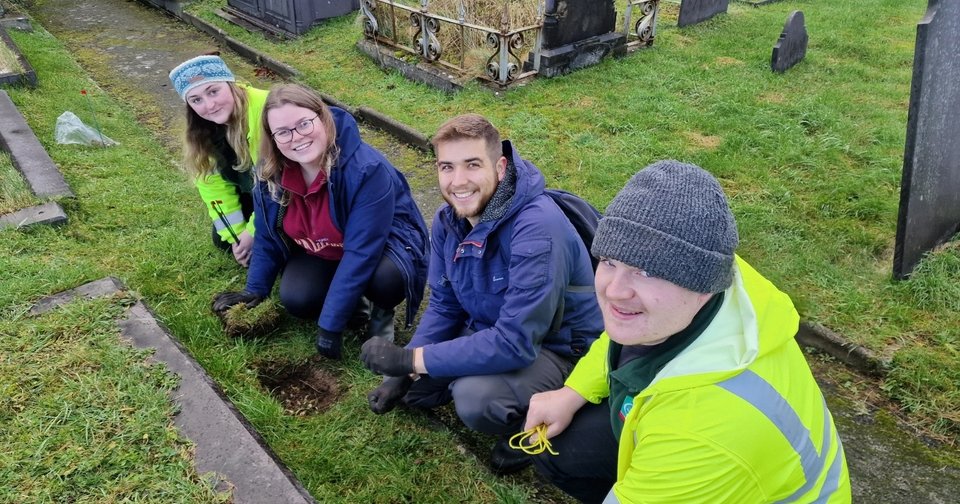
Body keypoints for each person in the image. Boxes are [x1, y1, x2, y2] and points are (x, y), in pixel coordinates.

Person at [522, 160, 851, 503]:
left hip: (709, 451)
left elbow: (699, 431)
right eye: (608, 261)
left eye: (646, 272)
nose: (614, 290)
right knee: (557, 450)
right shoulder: (713, 291)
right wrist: (572, 392)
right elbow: (619, 332)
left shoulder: (705, 428)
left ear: (702, 287)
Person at [358, 113, 603, 474]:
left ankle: (533, 422)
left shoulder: (537, 229)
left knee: (476, 399)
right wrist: (405, 373)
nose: (458, 182)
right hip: (490, 328)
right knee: (413, 390)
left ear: (500, 167)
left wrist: (411, 361)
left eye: (472, 165)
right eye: (446, 167)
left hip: (557, 347)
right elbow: (444, 304)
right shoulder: (447, 219)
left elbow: (516, 342)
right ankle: (470, 376)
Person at [211, 84, 429, 359]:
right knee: (298, 299)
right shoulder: (270, 172)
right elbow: (266, 234)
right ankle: (353, 304)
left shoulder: (366, 170)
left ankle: (380, 317)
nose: (296, 137)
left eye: (304, 124)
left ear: (322, 117)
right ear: (272, 138)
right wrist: (255, 288)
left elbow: (361, 251)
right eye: (283, 132)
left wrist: (330, 326)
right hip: (321, 245)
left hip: (382, 246)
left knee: (386, 279)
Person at [169, 54, 268, 267]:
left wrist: (252, 233)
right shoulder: (201, 129)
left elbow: (276, 184)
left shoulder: (266, 111)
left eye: (213, 91)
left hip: (288, 197)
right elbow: (211, 185)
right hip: (254, 193)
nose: (210, 105)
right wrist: (237, 236)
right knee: (222, 239)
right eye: (196, 100)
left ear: (230, 84)